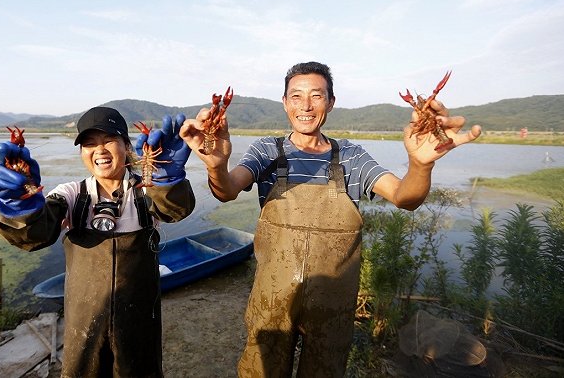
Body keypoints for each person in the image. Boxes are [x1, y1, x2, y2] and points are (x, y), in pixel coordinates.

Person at [179, 62, 481, 377]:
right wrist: (216, 165)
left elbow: (406, 197)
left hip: (332, 308)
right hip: (272, 299)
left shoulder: (351, 156)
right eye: (296, 96)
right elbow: (226, 190)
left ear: (331, 103)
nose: (306, 106)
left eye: (316, 96)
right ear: (285, 103)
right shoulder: (267, 150)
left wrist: (420, 166)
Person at [0, 106, 195, 377]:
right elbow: (35, 234)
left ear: (127, 146)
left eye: (108, 140)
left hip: (140, 323)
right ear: (82, 152)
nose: (99, 149)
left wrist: (170, 181)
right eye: (89, 143)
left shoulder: (147, 191)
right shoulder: (72, 195)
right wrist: (18, 207)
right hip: (83, 326)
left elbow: (175, 209)